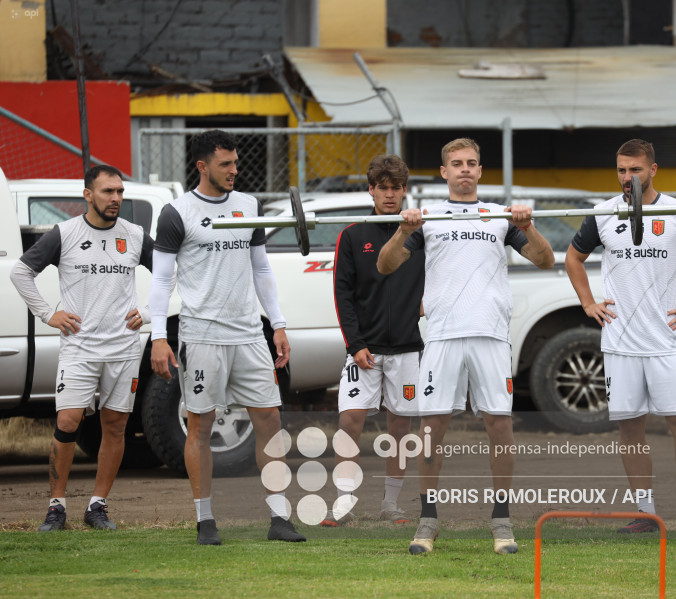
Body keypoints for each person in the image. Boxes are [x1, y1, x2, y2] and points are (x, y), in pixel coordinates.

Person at [377, 138, 555, 555]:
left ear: (480, 170)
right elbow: (386, 265)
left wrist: (528, 226)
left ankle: (501, 522)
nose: (464, 169)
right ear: (444, 172)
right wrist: (404, 230)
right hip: (442, 335)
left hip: (490, 334)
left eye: (471, 163)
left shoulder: (499, 216)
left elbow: (545, 260)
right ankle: (427, 521)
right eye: (456, 163)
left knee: (500, 426)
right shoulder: (429, 218)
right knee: (431, 430)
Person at [148, 129, 305, 545]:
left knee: (270, 420)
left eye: (236, 162)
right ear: (202, 166)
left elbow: (261, 269)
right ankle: (205, 520)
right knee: (199, 427)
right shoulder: (176, 213)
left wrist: (278, 324)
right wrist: (158, 337)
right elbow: (161, 280)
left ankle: (279, 517)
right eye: (225, 164)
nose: (235, 170)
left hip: (250, 335)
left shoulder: (249, 206)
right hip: (201, 336)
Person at [565, 138, 676, 537]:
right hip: (620, 343)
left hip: (666, 343)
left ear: (652, 170)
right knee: (630, 430)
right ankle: (646, 514)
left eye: (635, 170)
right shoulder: (603, 214)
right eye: (622, 170)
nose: (627, 177)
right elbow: (573, 258)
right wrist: (588, 302)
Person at [10, 165, 153, 532]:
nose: (116, 198)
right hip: (80, 349)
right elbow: (20, 272)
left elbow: (176, 273)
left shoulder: (135, 235)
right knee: (67, 421)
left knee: (115, 426)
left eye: (120, 192)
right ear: (88, 195)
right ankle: (56, 508)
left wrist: (149, 311)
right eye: (108, 191)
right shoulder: (65, 233)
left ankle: (97, 506)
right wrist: (48, 314)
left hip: (123, 349)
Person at [322, 155, 425, 527]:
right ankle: (343, 503)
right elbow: (343, 294)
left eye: (396, 188)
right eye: (383, 187)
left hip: (407, 348)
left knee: (400, 429)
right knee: (350, 422)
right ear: (371, 190)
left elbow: (441, 274)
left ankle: (390, 504)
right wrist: (355, 344)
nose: (390, 194)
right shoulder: (352, 235)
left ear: (404, 190)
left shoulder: (421, 233)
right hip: (364, 349)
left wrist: (427, 300)